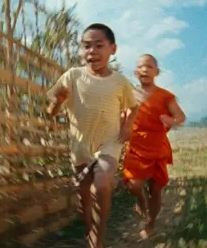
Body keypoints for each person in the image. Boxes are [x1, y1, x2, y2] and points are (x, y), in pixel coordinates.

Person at [46, 23, 138, 248]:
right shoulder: (73, 76)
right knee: (84, 197)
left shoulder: (120, 82)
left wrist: (127, 127)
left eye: (99, 45)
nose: (92, 51)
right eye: (86, 46)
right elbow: (51, 111)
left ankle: (98, 240)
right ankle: (89, 229)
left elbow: (132, 107)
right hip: (80, 147)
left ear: (112, 49)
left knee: (102, 184)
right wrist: (57, 102)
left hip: (109, 143)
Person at [121, 54, 186, 238]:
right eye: (141, 66)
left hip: (158, 145)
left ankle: (150, 223)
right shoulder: (129, 95)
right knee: (134, 185)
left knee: (155, 189)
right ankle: (140, 200)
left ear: (156, 72)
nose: (145, 69)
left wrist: (170, 120)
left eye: (149, 66)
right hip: (136, 145)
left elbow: (181, 117)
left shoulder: (165, 96)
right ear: (135, 73)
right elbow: (123, 117)